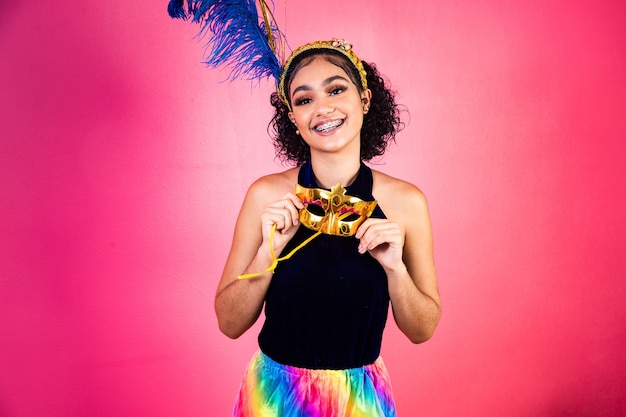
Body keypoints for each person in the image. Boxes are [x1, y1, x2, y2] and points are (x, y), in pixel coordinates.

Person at [214, 39, 441, 416]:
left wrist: (395, 269)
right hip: (273, 396)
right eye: (304, 100)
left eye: (336, 89)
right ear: (293, 119)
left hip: (360, 402)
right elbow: (229, 323)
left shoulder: (406, 203)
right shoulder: (265, 195)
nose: (323, 108)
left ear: (365, 100)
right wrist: (267, 250)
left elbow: (422, 330)